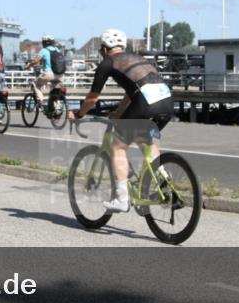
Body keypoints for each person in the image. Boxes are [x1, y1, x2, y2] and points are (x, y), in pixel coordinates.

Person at [68, 29, 172, 213]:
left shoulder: (108, 63)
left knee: (118, 146)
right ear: (123, 46)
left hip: (144, 103)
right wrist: (118, 113)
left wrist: (78, 114)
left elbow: (92, 99)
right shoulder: (138, 58)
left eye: (101, 50)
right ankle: (164, 181)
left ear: (103, 48)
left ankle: (122, 198)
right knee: (144, 139)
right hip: (166, 103)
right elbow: (131, 93)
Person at [25, 35, 64, 107]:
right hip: (60, 74)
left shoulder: (44, 50)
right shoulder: (57, 50)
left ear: (44, 43)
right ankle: (57, 107)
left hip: (49, 74)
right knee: (54, 90)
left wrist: (29, 66)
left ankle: (41, 101)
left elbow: (35, 61)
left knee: (36, 85)